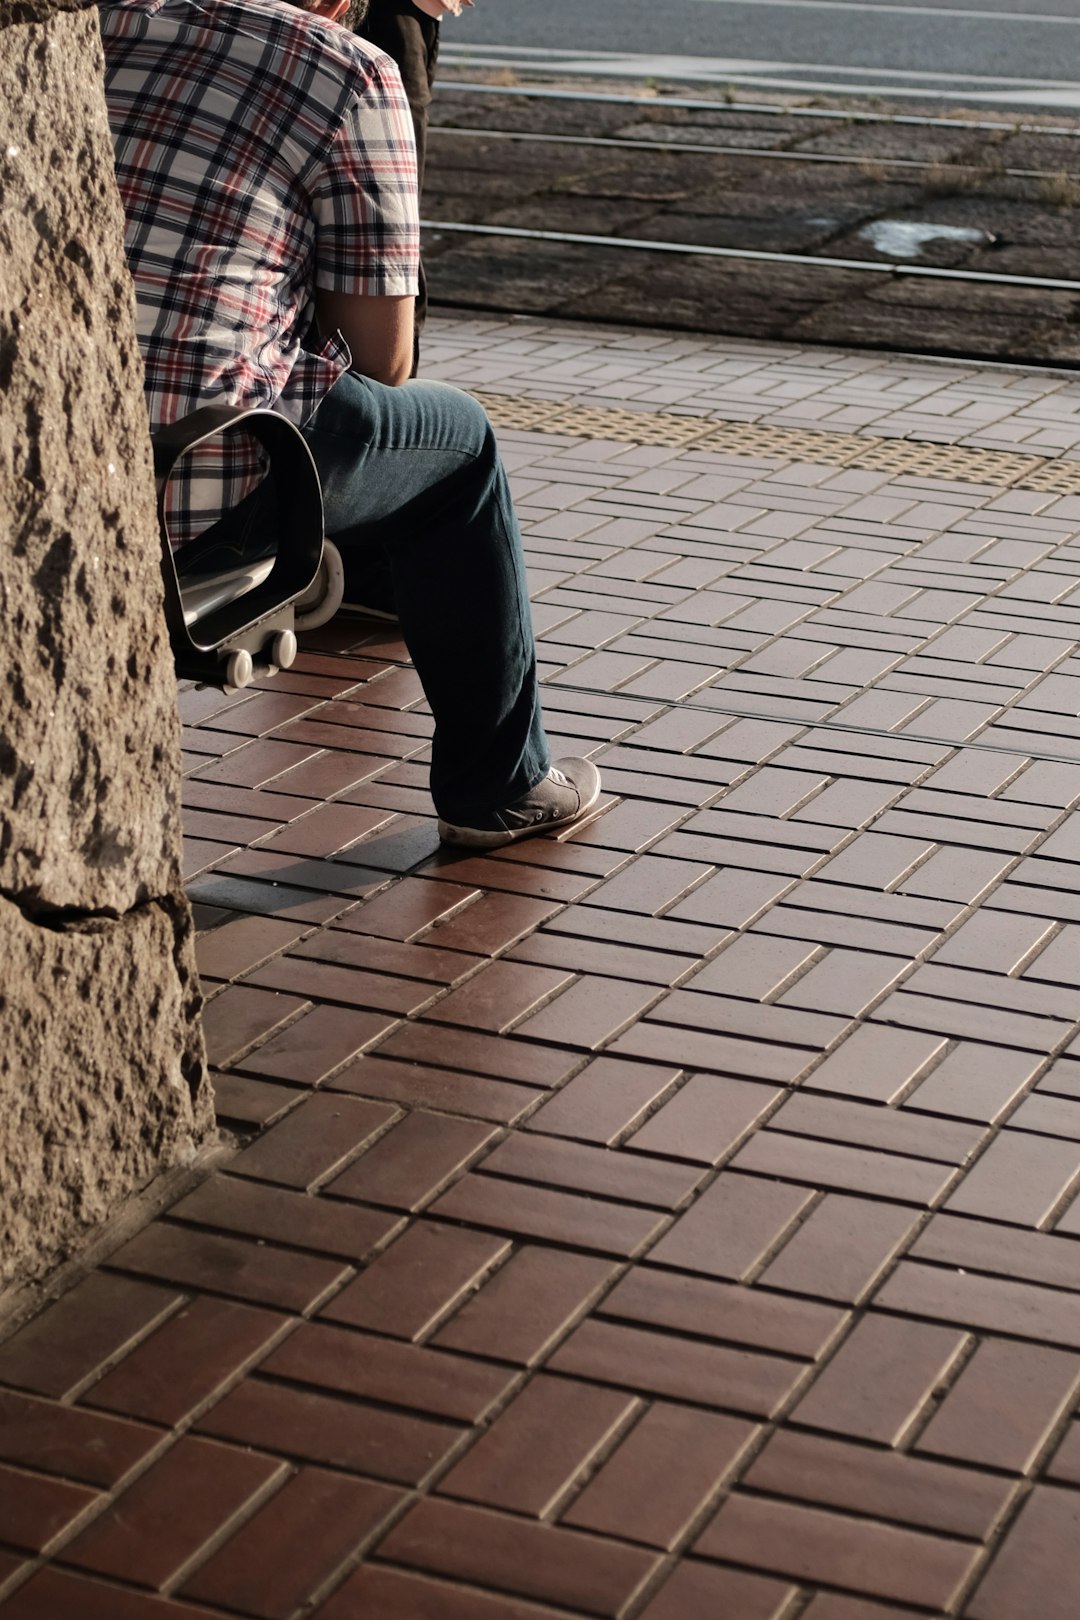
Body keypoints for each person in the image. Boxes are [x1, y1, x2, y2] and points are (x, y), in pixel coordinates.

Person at [99, 0, 601, 847]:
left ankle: (349, 570)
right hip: (197, 480)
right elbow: (383, 357)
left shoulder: (110, 16)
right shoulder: (351, 70)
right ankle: (499, 787)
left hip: (53, 448)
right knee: (459, 445)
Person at [355, 0, 470, 369]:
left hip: (418, 10)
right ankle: (390, 369)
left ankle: (391, 364)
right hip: (385, 10)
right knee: (391, 209)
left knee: (392, 202)